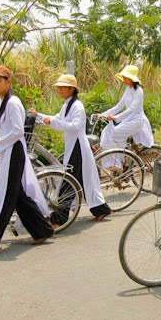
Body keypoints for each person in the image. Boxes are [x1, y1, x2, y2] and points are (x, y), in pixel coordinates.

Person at [0, 66, 54, 259]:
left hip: (13, 151)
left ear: (8, 82)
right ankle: (42, 230)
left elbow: (17, 131)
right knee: (17, 195)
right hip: (8, 151)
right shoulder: (0, 102)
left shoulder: (13, 102)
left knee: (5, 197)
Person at [32, 74, 112, 222]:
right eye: (58, 87)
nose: (59, 90)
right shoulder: (67, 105)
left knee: (68, 181)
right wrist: (40, 117)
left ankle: (58, 219)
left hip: (78, 147)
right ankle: (101, 210)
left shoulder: (77, 106)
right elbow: (58, 119)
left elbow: (74, 126)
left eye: (62, 87)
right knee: (82, 181)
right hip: (73, 146)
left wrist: (51, 122)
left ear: (71, 89)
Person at [99, 65, 154, 171]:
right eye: (123, 77)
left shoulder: (139, 91)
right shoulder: (127, 89)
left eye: (126, 77)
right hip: (128, 120)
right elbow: (119, 105)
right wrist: (103, 114)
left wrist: (115, 117)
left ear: (132, 79)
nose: (123, 79)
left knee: (113, 133)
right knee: (107, 132)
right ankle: (115, 164)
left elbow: (132, 109)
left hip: (137, 120)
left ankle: (117, 165)